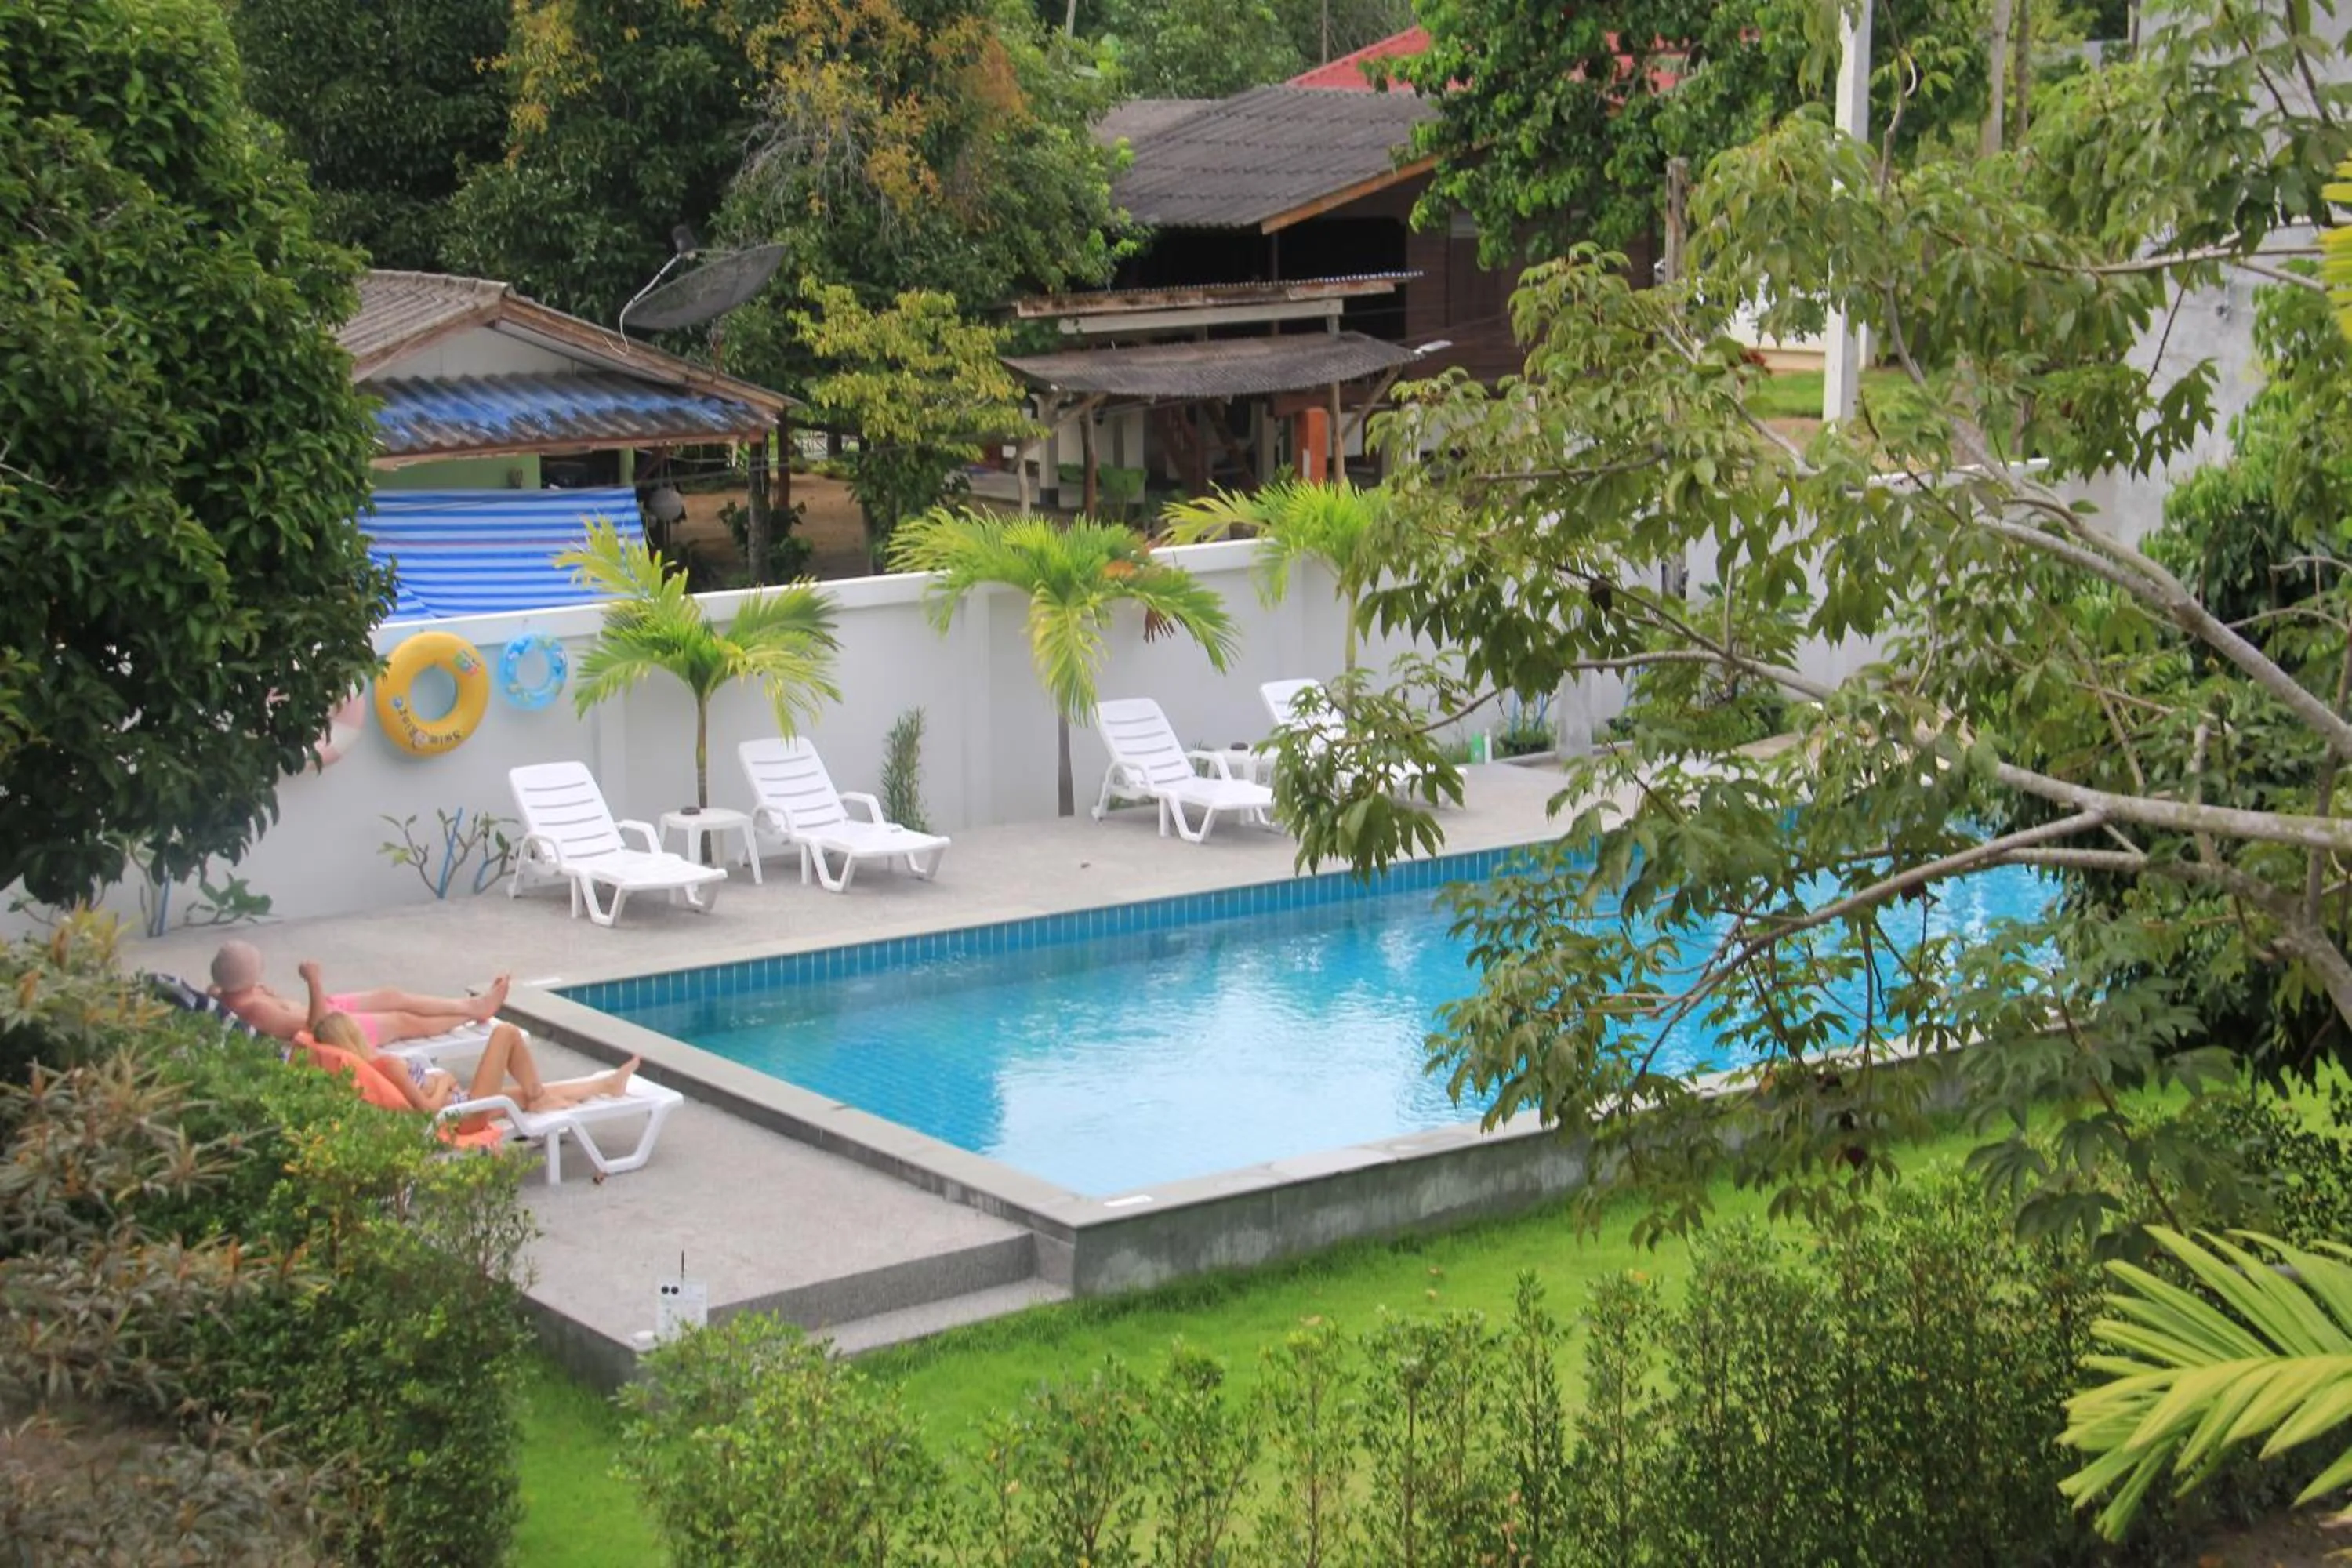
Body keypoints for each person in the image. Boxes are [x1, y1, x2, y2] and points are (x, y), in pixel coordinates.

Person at [305, 1009, 640, 1130]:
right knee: (505, 1033)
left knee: (524, 1094)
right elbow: (425, 1112)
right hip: (460, 1116)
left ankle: (608, 1085)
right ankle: (539, 1097)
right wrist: (444, 1082)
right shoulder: (387, 1066)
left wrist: (437, 1084)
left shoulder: (365, 1069)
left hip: (458, 1107)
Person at [209, 941, 507, 1047]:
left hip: (325, 1010)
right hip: (331, 1031)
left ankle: (472, 1005)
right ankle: (470, 1014)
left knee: (390, 995)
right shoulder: (254, 1010)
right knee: (403, 1020)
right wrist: (314, 981)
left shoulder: (225, 993)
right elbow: (314, 1029)